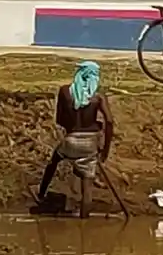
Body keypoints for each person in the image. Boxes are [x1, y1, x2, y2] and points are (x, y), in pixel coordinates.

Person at [36, 60, 115, 219]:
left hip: (71, 140)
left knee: (53, 162)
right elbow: (110, 121)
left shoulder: (65, 92)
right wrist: (105, 150)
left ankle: (41, 193)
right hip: (90, 143)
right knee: (88, 188)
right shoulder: (98, 97)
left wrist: (72, 124)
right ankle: (84, 223)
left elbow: (60, 120)